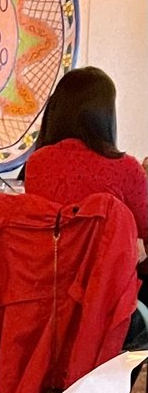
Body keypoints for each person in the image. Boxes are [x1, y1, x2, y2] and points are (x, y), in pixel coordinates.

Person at [24, 66, 147, 265]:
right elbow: (144, 229)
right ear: (105, 115)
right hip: (107, 279)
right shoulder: (127, 168)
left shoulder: (37, 163)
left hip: (52, 275)